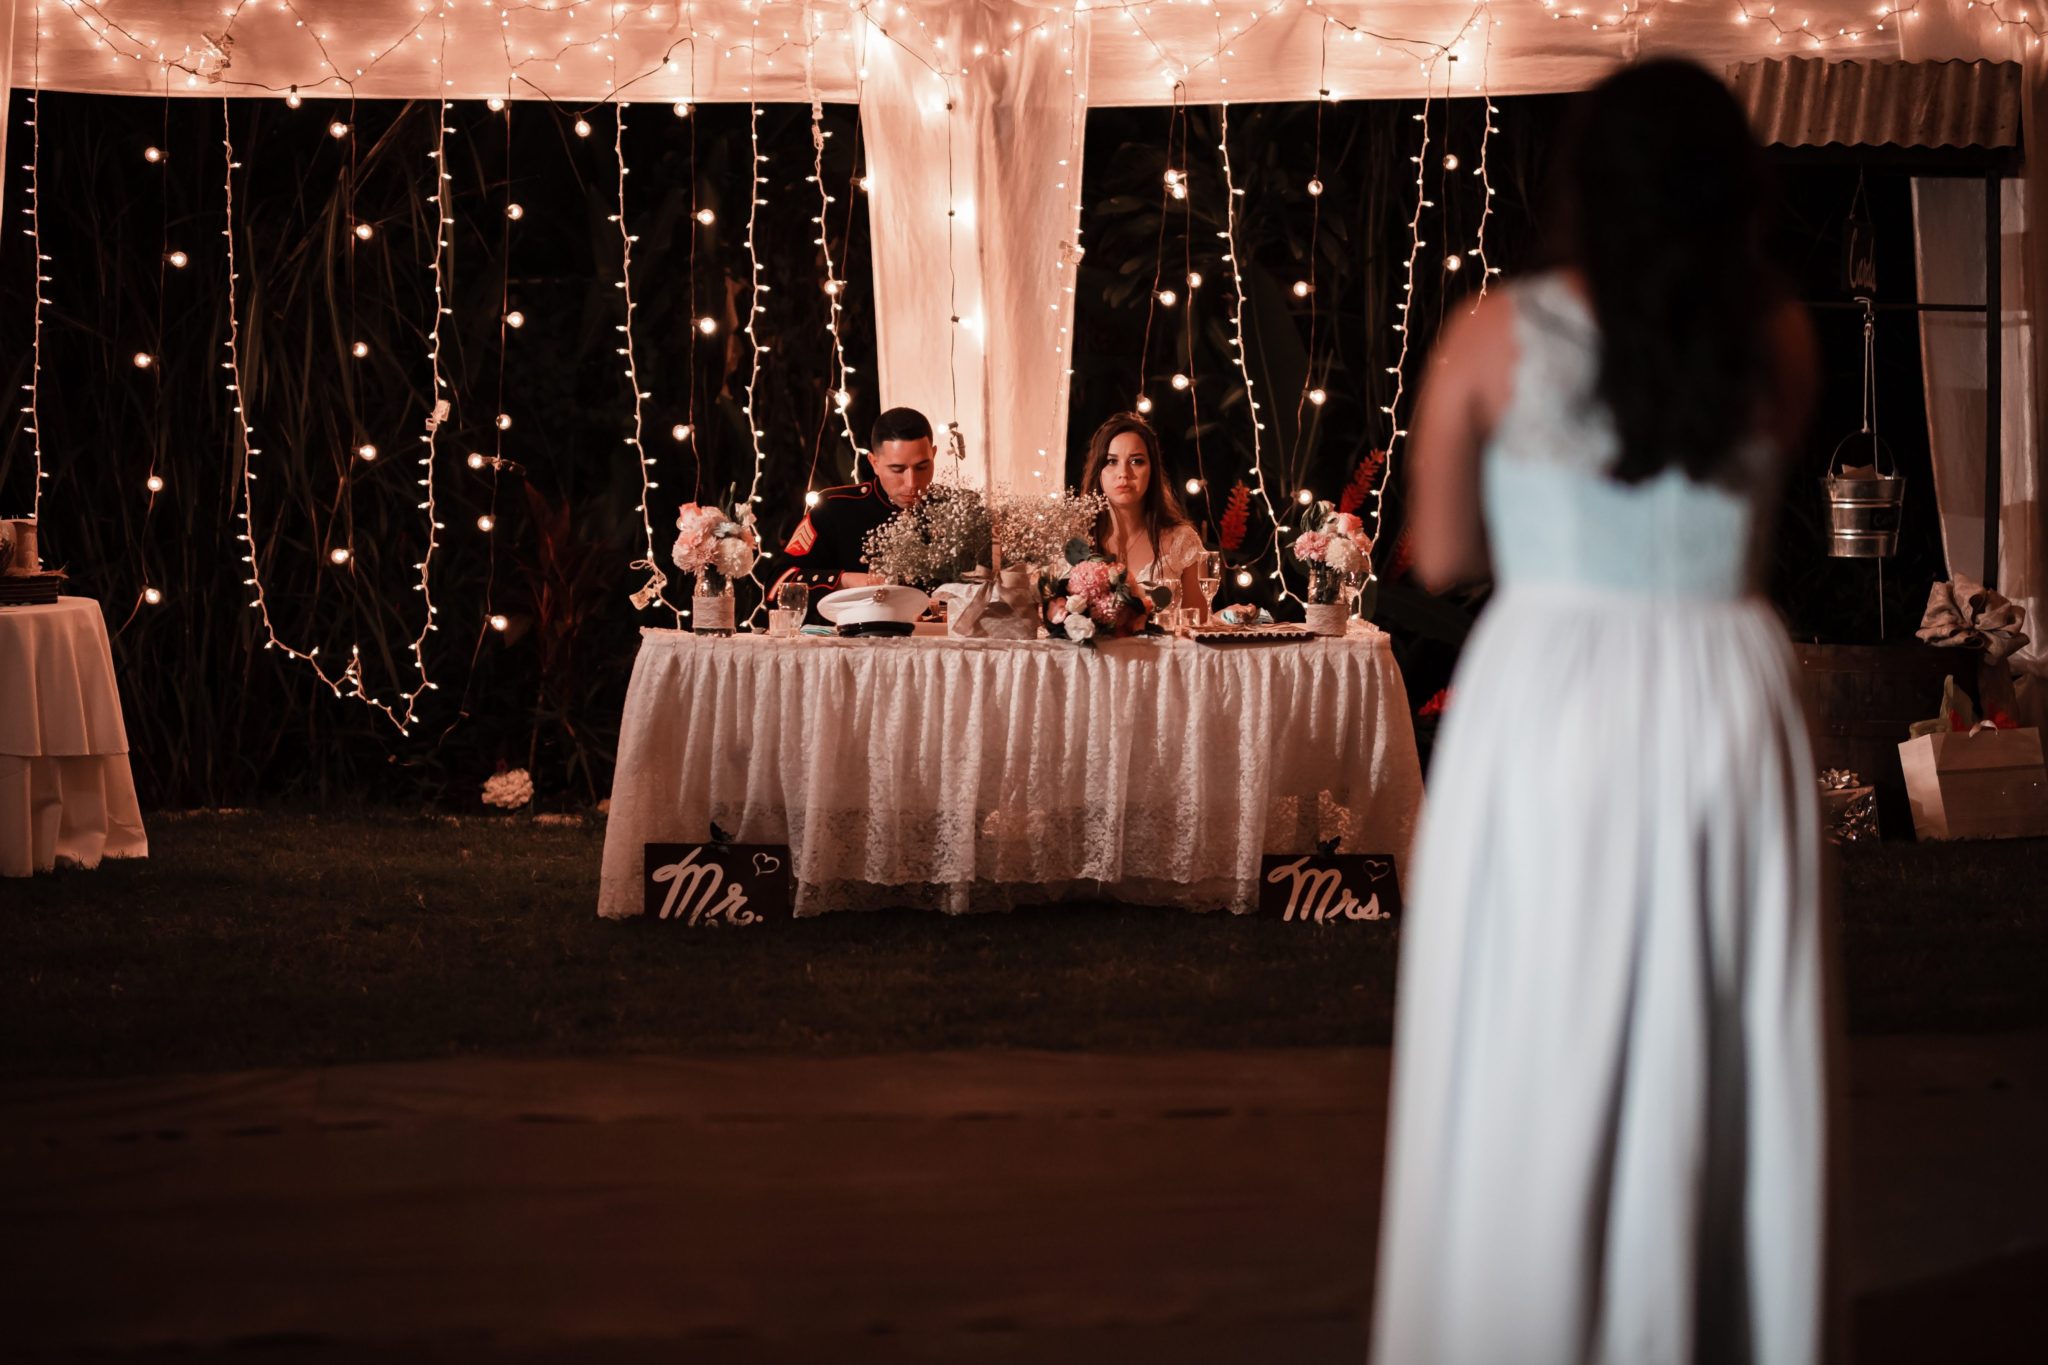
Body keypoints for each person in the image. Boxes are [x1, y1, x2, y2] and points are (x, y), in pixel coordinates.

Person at [1372, 60, 1830, 1365]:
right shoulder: (1776, 336)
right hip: (1722, 689)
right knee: (1718, 1002)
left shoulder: (1490, 334)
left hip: (1551, 696)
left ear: (1583, 182)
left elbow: (1442, 553)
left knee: (1536, 999)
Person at [773, 407, 937, 617]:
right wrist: (846, 581)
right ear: (874, 463)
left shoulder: (959, 509)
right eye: (897, 469)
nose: (911, 483)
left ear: (934, 454)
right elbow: (778, 586)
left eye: (922, 467)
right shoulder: (834, 507)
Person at [1078, 413, 1205, 616]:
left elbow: (1200, 623)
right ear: (1098, 470)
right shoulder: (1078, 540)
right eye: (1111, 461)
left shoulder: (1181, 541)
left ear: (1152, 470)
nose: (1124, 473)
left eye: (1136, 461)